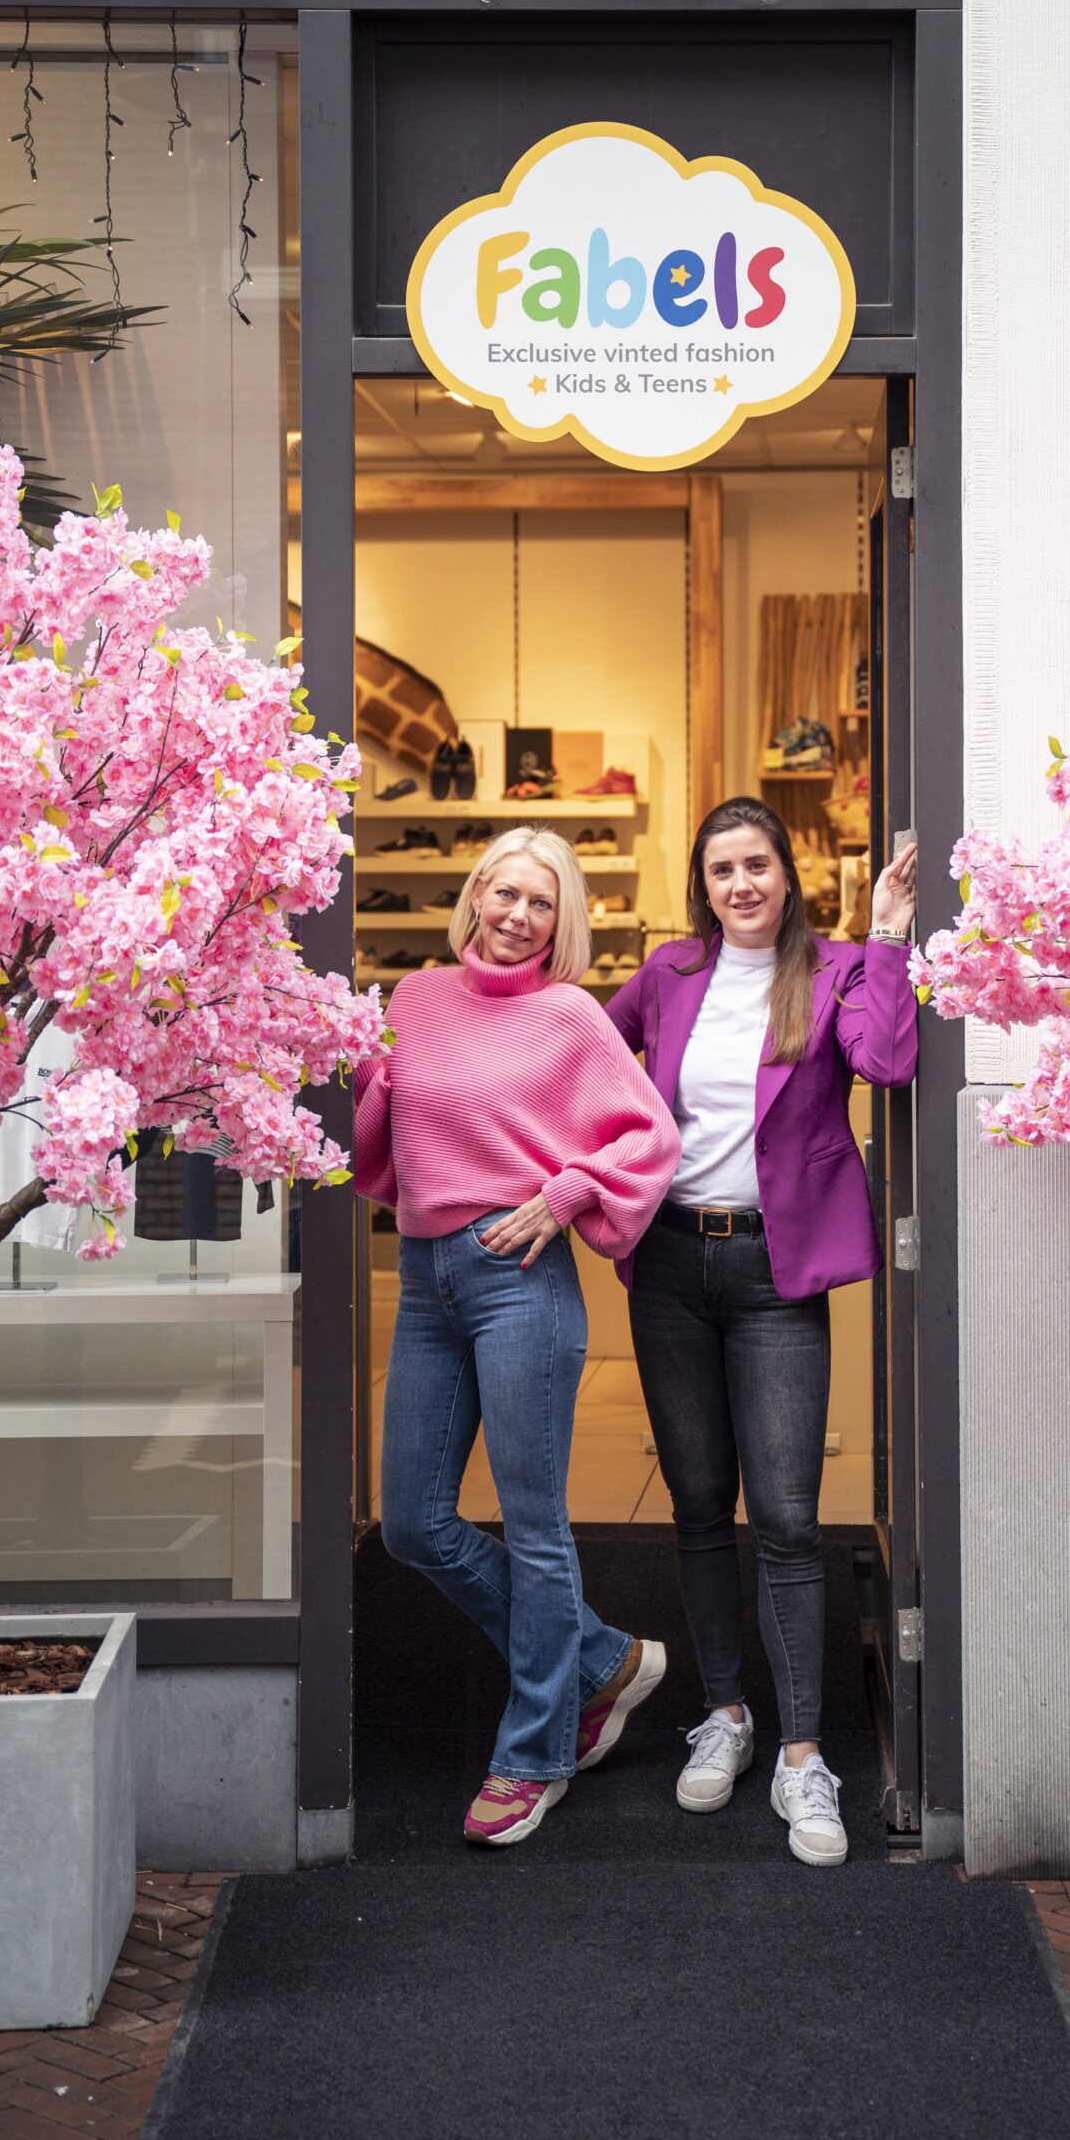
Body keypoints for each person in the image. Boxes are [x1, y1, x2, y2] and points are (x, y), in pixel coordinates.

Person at [353, 826, 680, 1848]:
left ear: (560, 920)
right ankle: (601, 1659)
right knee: (411, 1523)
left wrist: (567, 1190)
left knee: (534, 1525)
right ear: (474, 896)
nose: (517, 915)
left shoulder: (569, 1016)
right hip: (425, 1279)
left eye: (541, 902)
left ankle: (533, 1756)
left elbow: (649, 1134)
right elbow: (378, 1142)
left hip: (518, 1279)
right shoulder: (414, 1000)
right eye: (504, 892)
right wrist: (368, 1077)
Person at [606, 797, 918, 1866]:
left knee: (784, 1515)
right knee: (699, 1504)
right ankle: (724, 1715)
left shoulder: (834, 971)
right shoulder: (667, 974)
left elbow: (886, 1062)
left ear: (786, 875)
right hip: (668, 1263)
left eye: (755, 865)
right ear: (701, 884)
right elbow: (581, 1056)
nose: (739, 884)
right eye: (720, 869)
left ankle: (802, 1755)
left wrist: (886, 935)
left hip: (775, 1273)